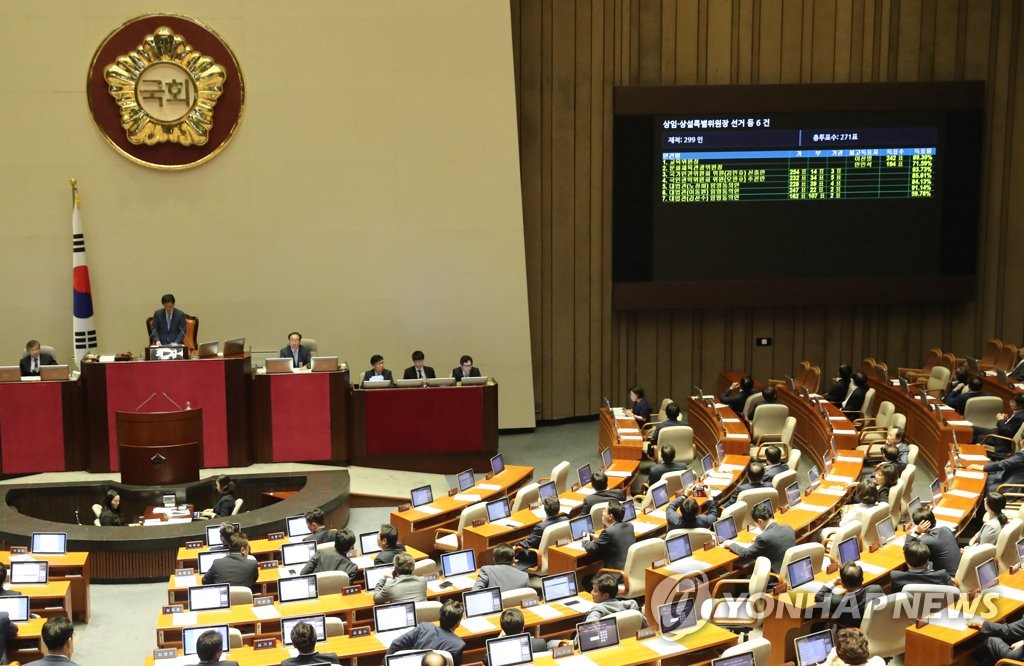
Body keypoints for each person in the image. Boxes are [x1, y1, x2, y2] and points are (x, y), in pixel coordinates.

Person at [722, 501, 796, 575]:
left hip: (776, 577)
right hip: (792, 572)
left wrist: (730, 544)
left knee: (742, 576)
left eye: (756, 524)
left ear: (760, 521)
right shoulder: (788, 528)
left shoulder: (763, 538)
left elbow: (746, 553)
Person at [386, 600, 466, 666]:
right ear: (458, 623)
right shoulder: (458, 645)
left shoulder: (423, 627)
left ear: (439, 617)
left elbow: (396, 643)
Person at [813, 563, 884, 628]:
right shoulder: (876, 589)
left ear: (842, 584)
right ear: (862, 579)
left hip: (852, 634)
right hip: (878, 629)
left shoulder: (838, 601)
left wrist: (834, 582)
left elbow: (819, 596)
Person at [581, 500, 635, 574]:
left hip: (616, 574)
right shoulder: (629, 526)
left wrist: (585, 541)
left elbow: (592, 548)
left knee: (586, 579)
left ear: (610, 517)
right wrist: (600, 538)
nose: (602, 513)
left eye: (604, 511)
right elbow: (615, 539)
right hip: (630, 570)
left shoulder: (608, 532)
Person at [513, 495, 567, 569]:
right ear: (559, 508)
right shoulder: (565, 520)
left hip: (539, 558)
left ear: (544, 509)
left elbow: (527, 543)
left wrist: (516, 545)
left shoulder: (541, 527)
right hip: (558, 554)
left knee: (516, 551)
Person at [905, 507, 962, 575]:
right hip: (959, 571)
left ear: (921, 525)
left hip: (946, 576)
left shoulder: (926, 540)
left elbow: (907, 548)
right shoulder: (946, 529)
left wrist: (916, 532)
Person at [890, 540, 954, 593]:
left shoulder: (896, 577)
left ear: (906, 561)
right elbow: (953, 594)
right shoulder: (942, 575)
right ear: (927, 561)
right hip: (938, 604)